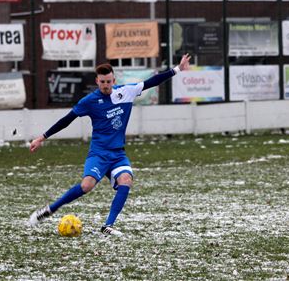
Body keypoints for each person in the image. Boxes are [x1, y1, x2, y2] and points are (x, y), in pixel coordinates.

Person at [28, 54, 192, 236]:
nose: (106, 85)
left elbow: (152, 81)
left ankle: (108, 226)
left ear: (114, 80)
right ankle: (50, 209)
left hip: (117, 154)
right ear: (97, 81)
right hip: (98, 153)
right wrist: (42, 137)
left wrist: (177, 69)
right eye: (102, 82)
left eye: (108, 81)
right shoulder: (89, 101)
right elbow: (67, 120)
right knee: (86, 186)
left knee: (126, 181)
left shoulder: (126, 92)